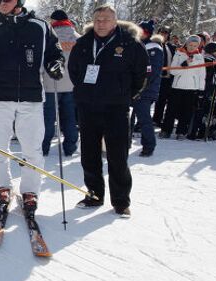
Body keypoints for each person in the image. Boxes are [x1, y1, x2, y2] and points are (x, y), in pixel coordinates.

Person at [0, 0, 64, 217]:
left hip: (31, 98)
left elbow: (54, 54)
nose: (1, 3)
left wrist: (56, 64)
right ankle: (2, 187)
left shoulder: (40, 27)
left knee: (32, 149)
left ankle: (30, 191)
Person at [68, 4, 148, 216]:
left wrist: (126, 95)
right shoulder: (83, 43)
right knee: (89, 154)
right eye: (97, 20)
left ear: (114, 22)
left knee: (117, 155)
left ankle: (121, 201)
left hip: (116, 108)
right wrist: (84, 92)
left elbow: (141, 75)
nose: (101, 23)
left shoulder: (130, 44)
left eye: (105, 19)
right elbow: (74, 71)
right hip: (88, 107)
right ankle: (94, 195)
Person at [42, 9, 79, 157]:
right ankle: (70, 147)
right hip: (71, 85)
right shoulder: (78, 38)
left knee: (48, 118)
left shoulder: (48, 37)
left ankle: (43, 146)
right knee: (70, 117)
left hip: (50, 84)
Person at [159, 35, 206, 140]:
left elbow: (202, 75)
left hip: (191, 88)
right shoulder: (179, 53)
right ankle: (166, 130)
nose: (192, 47)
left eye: (195, 45)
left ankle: (181, 131)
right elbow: (173, 71)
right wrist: (184, 64)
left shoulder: (199, 57)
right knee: (171, 109)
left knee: (186, 111)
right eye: (190, 44)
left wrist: (201, 90)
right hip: (177, 87)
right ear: (187, 43)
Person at [130, 20, 163, 156]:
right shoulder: (137, 45)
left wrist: (141, 88)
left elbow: (152, 72)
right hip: (133, 88)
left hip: (145, 89)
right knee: (128, 118)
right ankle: (125, 143)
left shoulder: (154, 48)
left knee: (143, 118)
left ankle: (149, 146)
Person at [152, 25, 176, 127]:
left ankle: (157, 119)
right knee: (151, 99)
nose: (163, 34)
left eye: (166, 33)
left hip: (167, 78)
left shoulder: (171, 47)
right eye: (162, 32)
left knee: (162, 100)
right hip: (155, 77)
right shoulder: (153, 45)